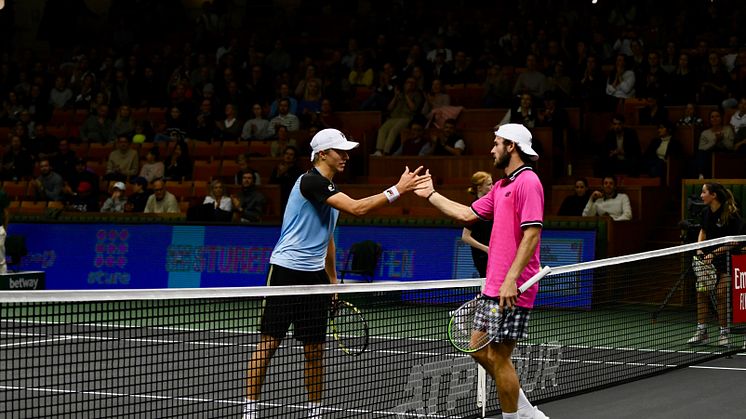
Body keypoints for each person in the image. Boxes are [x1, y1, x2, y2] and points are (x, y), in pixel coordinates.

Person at [244, 128, 429, 419]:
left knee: (315, 351)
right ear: (322, 154)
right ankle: (250, 410)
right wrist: (397, 190)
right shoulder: (311, 182)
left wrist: (332, 282)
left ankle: (315, 411)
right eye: (339, 151)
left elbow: (327, 237)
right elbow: (357, 208)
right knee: (269, 344)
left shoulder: (329, 187)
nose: (345, 156)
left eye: (346, 151)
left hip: (315, 276)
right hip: (285, 271)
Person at [409, 123, 548, 419]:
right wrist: (431, 194)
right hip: (493, 286)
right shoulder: (501, 187)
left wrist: (511, 280)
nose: (491, 149)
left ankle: (515, 417)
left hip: (513, 287)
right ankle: (526, 411)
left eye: (496, 143)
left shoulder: (528, 182)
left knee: (499, 357)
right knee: (476, 348)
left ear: (511, 146)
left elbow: (532, 234)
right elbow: (466, 214)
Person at [687, 183, 744, 347]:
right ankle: (702, 332)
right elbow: (703, 231)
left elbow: (734, 241)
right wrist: (699, 248)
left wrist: (714, 253)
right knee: (702, 295)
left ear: (713, 196)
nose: (701, 195)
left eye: (704, 192)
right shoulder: (706, 212)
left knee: (721, 295)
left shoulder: (731, 214)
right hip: (707, 260)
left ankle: (724, 333)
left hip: (727, 259)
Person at [460, 171, 493, 277]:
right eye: (489, 185)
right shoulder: (474, 209)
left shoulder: (494, 205)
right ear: (479, 188)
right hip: (482, 257)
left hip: (496, 254)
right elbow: (465, 237)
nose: (492, 187)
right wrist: (486, 249)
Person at [269, 145, 303, 213]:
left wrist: (286, 174)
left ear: (295, 158)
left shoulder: (298, 171)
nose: (288, 156)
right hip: (278, 198)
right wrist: (279, 174)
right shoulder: (277, 169)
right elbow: (271, 184)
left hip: (291, 198)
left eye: (291, 155)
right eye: (286, 154)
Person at [0, 186, 10, 273]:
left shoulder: (2, 194)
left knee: (1, 262)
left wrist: (4, 229)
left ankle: (3, 284)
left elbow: (6, 213)